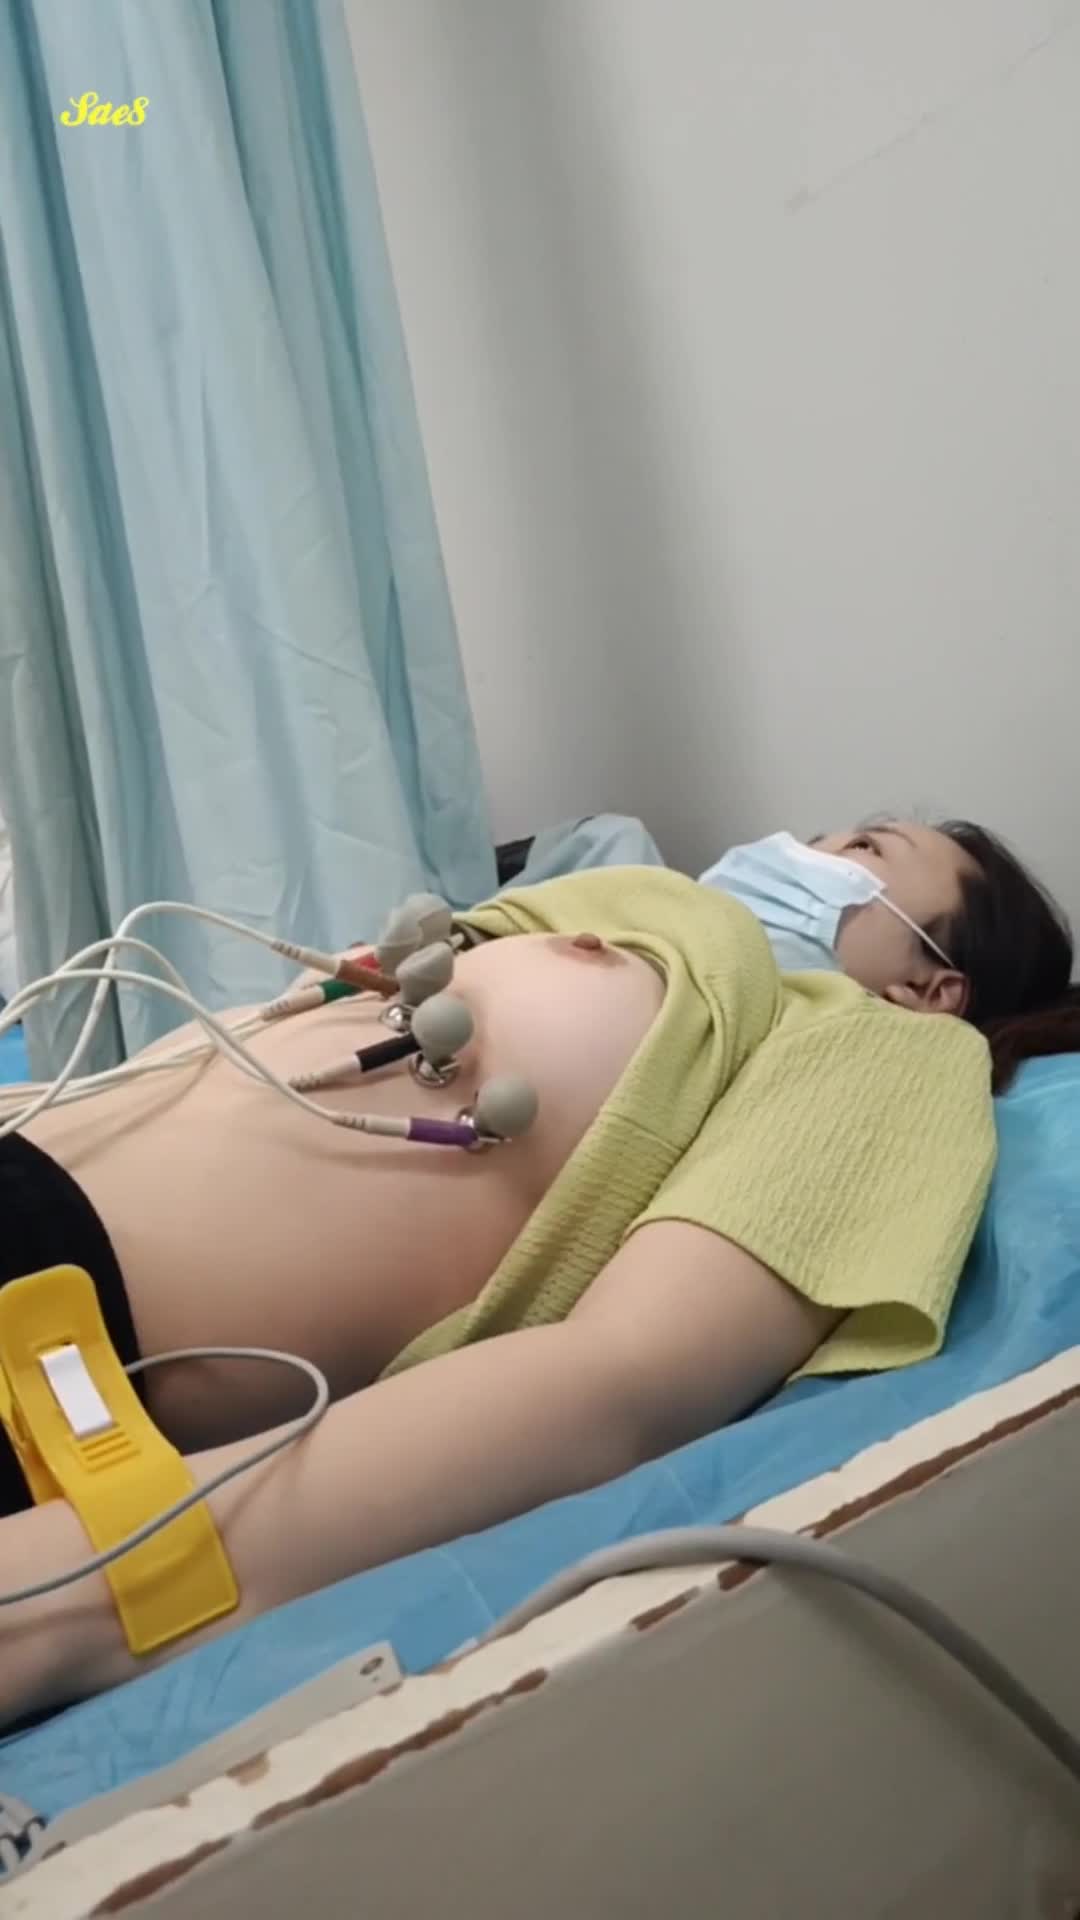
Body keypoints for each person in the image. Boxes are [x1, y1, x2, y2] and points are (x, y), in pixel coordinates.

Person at [1, 819, 1078, 1725]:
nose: (803, 845)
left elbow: (624, 1378)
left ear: (932, 986)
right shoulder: (627, 910)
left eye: (865, 849)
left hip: (61, 1346)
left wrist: (81, 1592)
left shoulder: (879, 1048)